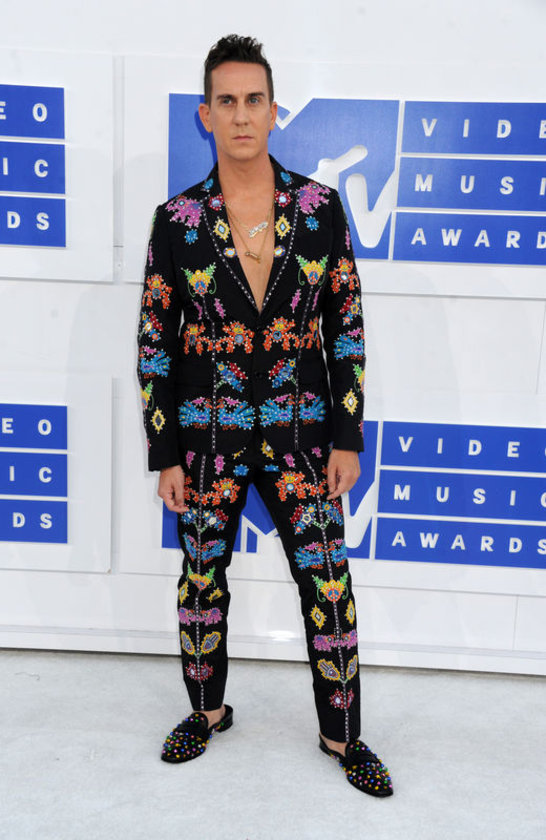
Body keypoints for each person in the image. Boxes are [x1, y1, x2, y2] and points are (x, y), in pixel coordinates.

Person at [137, 33, 392, 797]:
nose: (242, 115)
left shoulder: (319, 209)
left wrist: (347, 435)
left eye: (255, 100)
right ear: (206, 115)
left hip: (303, 434)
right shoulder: (177, 221)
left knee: (329, 584)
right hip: (205, 439)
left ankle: (342, 735)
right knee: (201, 581)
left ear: (274, 111)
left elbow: (346, 329)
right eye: (227, 101)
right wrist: (166, 453)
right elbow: (154, 344)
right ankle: (206, 712)